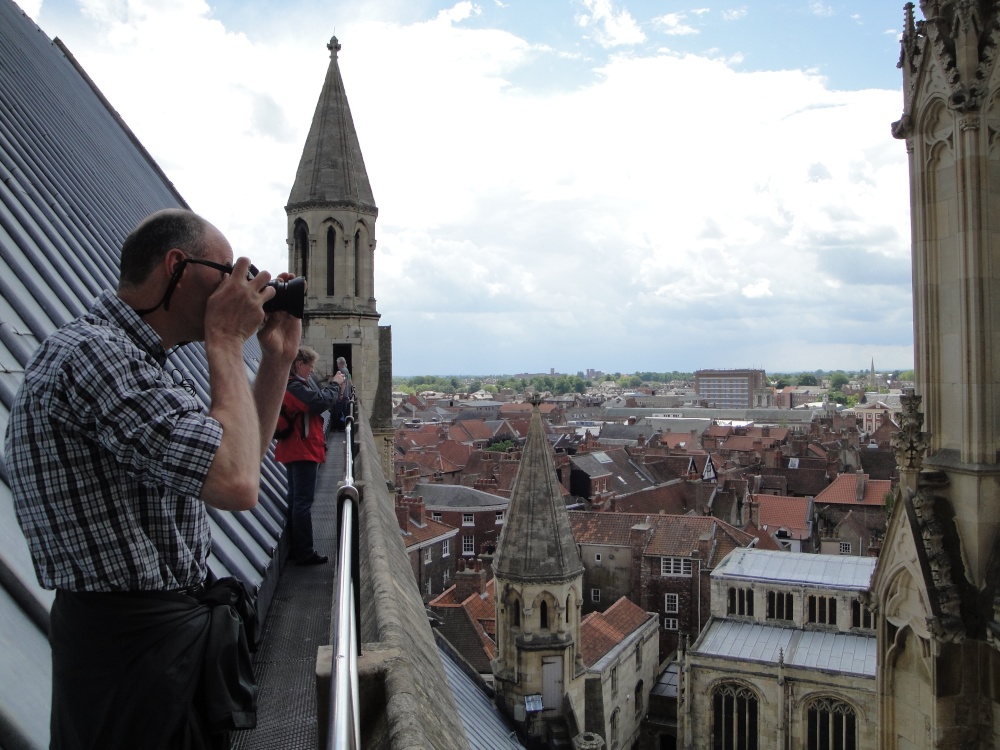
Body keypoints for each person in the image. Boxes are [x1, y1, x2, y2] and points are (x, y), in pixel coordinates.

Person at [5, 208, 301, 749]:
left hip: (143, 651)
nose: (236, 288)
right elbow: (237, 484)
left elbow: (241, 461)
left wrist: (276, 360)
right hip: (130, 658)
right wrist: (228, 342)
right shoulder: (95, 356)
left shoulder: (139, 362)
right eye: (227, 273)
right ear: (177, 267)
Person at [273, 346, 345, 565]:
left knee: (296, 499)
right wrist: (335, 384)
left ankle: (298, 548)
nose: (312, 370)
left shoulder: (287, 384)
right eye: (310, 366)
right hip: (302, 450)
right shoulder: (294, 387)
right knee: (302, 502)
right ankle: (304, 551)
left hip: (294, 448)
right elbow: (319, 403)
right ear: (299, 364)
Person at [331, 355, 353, 430]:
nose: (337, 365)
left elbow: (343, 383)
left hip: (343, 396)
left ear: (340, 363)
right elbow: (350, 382)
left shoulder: (342, 371)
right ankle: (344, 427)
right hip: (346, 395)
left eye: (337, 363)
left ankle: (338, 428)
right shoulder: (347, 371)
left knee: (338, 412)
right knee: (345, 412)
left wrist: (340, 394)